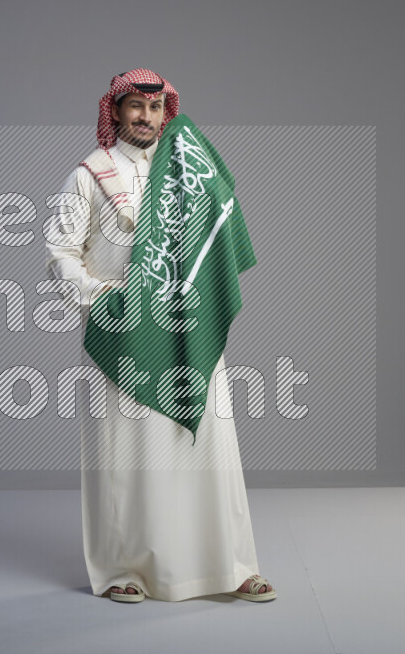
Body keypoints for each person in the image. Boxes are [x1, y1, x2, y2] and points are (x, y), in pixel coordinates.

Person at [45, 69, 276, 603]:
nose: (145, 117)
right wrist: (103, 300)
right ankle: (123, 570)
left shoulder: (187, 167)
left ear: (165, 111)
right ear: (115, 110)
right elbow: (59, 253)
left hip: (188, 324)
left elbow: (218, 227)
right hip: (121, 329)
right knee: (125, 457)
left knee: (210, 449)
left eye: (154, 108)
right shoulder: (89, 174)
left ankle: (232, 565)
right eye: (135, 107)